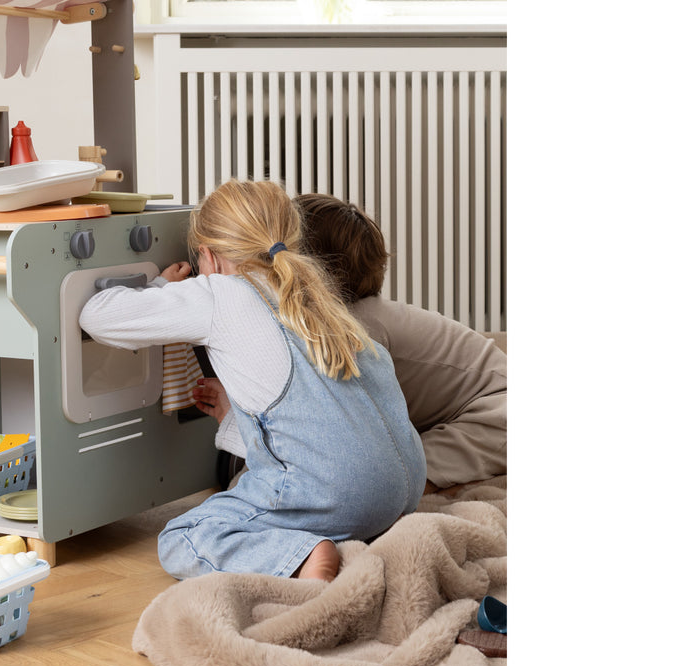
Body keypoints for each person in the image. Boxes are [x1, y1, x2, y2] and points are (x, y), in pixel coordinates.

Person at [79, 179, 426, 582]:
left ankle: (304, 555)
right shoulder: (316, 296)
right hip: (402, 491)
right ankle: (345, 531)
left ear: (209, 256)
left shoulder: (220, 292)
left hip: (340, 498)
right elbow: (322, 420)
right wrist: (235, 416)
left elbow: (96, 316)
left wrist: (161, 287)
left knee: (184, 536)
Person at [202, 193, 506, 494]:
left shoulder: (355, 329)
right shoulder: (337, 320)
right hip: (453, 410)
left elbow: (318, 433)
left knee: (391, 483)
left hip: (496, 411)